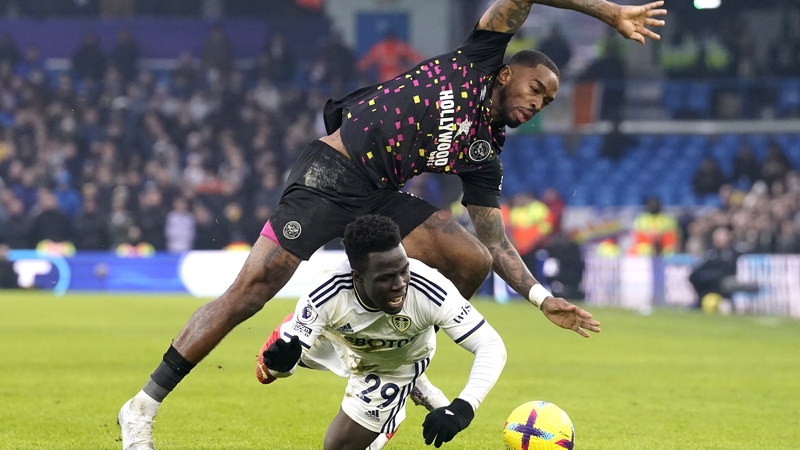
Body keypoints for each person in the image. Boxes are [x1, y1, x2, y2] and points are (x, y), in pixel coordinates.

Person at [119, 0, 662, 447]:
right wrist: (609, 12)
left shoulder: (483, 152)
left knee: (468, 258)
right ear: (504, 75)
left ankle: (397, 373)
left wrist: (543, 298)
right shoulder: (477, 58)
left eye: (548, 99)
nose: (539, 102)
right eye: (535, 88)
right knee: (250, 291)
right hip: (330, 173)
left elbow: (495, 243)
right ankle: (142, 407)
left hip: (381, 195)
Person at [254, 215, 506, 449]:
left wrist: (463, 408)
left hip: (394, 363)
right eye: (386, 277)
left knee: (338, 447)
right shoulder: (327, 291)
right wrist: (284, 366)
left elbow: (491, 345)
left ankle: (402, 396)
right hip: (335, 338)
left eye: (403, 270)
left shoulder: (429, 288)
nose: (400, 284)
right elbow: (284, 366)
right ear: (358, 277)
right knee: (269, 370)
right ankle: (292, 328)